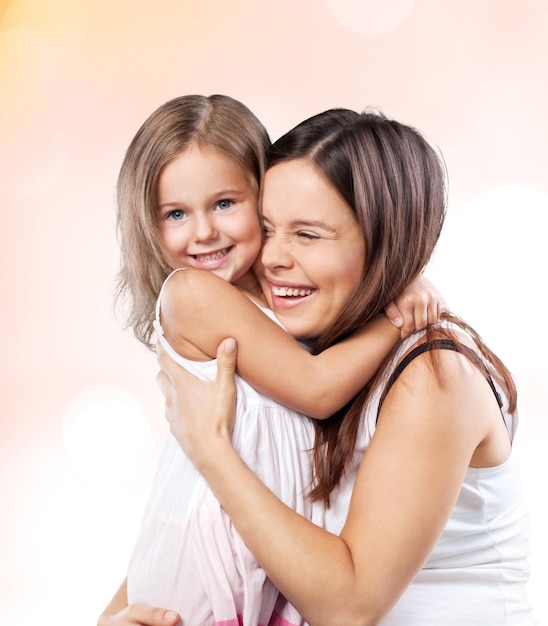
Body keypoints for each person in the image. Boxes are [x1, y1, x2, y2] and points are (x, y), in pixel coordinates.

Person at [156, 109, 536, 625]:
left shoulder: (433, 377)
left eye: (308, 235)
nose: (272, 258)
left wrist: (212, 451)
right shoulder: (309, 357)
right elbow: (196, 518)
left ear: (387, 242)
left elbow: (350, 608)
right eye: (266, 228)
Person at [98, 97, 445, 626]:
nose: (204, 232)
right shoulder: (192, 295)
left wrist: (395, 275)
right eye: (175, 214)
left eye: (225, 204)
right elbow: (316, 387)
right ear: (148, 224)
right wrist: (397, 316)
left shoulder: (282, 289)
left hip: (264, 577)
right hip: (202, 579)